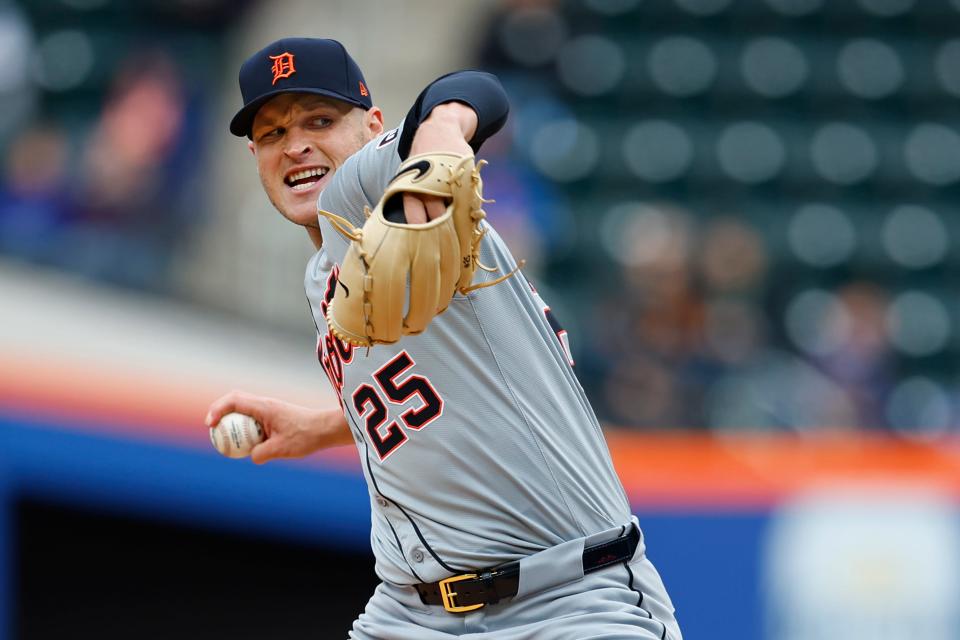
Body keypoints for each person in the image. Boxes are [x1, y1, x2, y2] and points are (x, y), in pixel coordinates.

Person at [207, 37, 682, 639]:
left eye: (319, 120)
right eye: (272, 134)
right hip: (410, 614)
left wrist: (437, 149)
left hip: (566, 600)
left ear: (373, 126)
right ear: (255, 155)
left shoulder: (370, 184)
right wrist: (323, 425)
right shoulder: (320, 272)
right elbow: (443, 393)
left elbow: (472, 91)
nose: (296, 144)